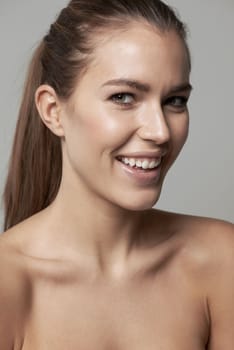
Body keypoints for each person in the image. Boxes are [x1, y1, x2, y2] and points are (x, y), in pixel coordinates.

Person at [0, 0, 233, 348]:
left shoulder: (221, 260)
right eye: (124, 97)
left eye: (175, 101)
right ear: (53, 111)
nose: (160, 132)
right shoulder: (9, 283)